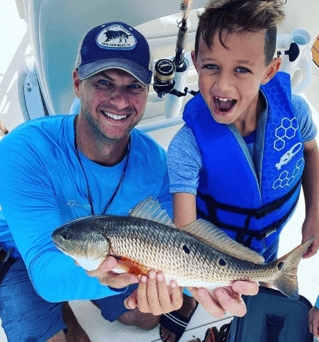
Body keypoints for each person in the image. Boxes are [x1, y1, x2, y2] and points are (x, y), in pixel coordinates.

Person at [0, 21, 258, 342]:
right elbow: (45, 275)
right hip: (23, 256)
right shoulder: (24, 149)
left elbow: (178, 247)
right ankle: (63, 313)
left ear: (147, 91)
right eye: (104, 82)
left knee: (147, 316)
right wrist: (110, 278)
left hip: (107, 257)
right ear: (78, 82)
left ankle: (82, 297)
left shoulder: (158, 166)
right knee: (60, 314)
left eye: (133, 86)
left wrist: (205, 283)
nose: (120, 101)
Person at [165, 1, 319, 341]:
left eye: (242, 70)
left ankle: (255, 297)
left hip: (271, 233)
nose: (222, 85)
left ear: (269, 70)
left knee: (262, 280)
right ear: (194, 63)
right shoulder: (186, 145)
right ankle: (188, 304)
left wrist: (314, 214)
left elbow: (310, 151)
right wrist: (200, 279)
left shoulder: (296, 111)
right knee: (208, 286)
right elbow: (185, 230)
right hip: (211, 248)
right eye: (210, 67)